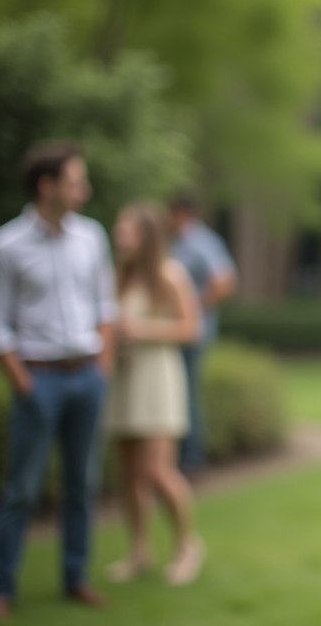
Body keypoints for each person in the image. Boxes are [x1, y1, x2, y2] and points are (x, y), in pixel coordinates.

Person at [0, 142, 115, 620]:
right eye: (76, 180)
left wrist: (102, 370)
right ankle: (0, 587)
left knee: (82, 485)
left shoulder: (92, 237)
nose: (85, 189)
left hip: (87, 379)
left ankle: (76, 577)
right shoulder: (5, 245)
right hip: (39, 381)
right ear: (46, 186)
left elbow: (105, 308)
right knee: (22, 490)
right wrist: (25, 386)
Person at [105, 202, 206, 585]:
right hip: (124, 379)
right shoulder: (118, 277)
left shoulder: (170, 275)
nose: (119, 235)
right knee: (128, 473)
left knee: (157, 471)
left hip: (158, 380)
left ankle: (186, 546)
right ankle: (139, 550)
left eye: (127, 229)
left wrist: (140, 329)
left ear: (146, 235)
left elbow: (190, 329)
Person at [167, 194, 237, 473]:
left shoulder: (201, 241)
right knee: (180, 391)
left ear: (180, 212)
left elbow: (224, 281)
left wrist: (192, 307)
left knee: (187, 393)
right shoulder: (176, 242)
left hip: (192, 332)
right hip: (176, 332)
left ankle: (191, 459)